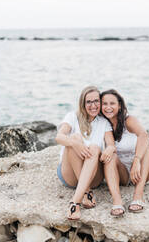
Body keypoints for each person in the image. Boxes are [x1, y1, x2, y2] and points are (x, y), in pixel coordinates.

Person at [55, 86, 116, 220]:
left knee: (94, 148)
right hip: (69, 175)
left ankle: (74, 202)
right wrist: (75, 144)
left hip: (93, 175)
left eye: (96, 101)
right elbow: (59, 137)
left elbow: (111, 144)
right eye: (89, 102)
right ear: (83, 103)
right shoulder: (72, 116)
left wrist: (110, 148)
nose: (93, 105)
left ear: (100, 102)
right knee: (74, 138)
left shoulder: (104, 123)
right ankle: (86, 191)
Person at [100, 89, 149, 217]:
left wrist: (136, 161)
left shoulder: (128, 120)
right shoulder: (101, 125)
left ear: (119, 106)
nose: (108, 107)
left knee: (146, 144)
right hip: (121, 173)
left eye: (112, 103)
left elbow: (144, 135)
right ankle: (117, 201)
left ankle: (138, 194)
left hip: (141, 170)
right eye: (104, 104)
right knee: (110, 155)